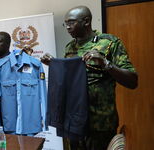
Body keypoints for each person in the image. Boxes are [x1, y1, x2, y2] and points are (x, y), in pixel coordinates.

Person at [40, 6, 138, 150]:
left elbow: (133, 81)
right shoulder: (70, 48)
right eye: (65, 23)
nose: (67, 27)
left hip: (100, 123)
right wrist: (54, 65)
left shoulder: (110, 43)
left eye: (71, 22)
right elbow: (70, 81)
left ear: (86, 21)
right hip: (74, 120)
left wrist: (106, 64)